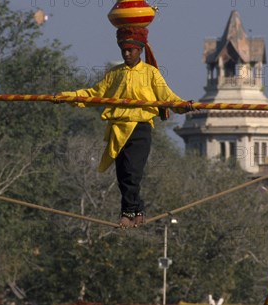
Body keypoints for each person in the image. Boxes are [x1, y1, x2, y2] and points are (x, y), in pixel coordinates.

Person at [59, 27, 193, 229]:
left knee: (132, 172)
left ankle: (128, 213)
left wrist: (183, 106)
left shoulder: (150, 73)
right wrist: (68, 97)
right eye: (123, 50)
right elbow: (94, 94)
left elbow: (167, 97)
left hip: (140, 128)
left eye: (130, 50)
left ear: (140, 50)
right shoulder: (114, 74)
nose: (126, 54)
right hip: (118, 129)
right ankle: (137, 210)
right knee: (123, 175)